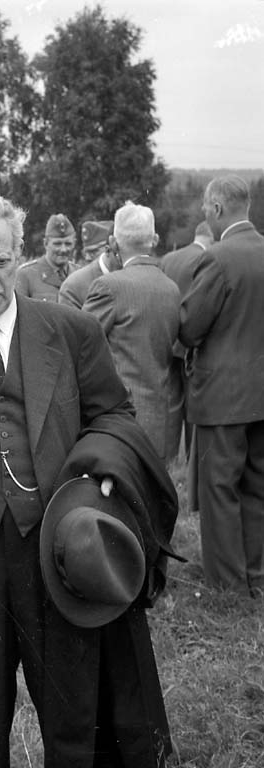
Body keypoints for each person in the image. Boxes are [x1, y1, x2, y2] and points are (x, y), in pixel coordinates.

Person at [0, 192, 180, 767]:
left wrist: (101, 472)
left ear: (20, 253)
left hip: (59, 552)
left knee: (75, 719)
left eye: (0, 261)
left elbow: (113, 415)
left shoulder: (71, 331)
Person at [179, 174, 264, 596]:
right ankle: (257, 575)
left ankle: (228, 585)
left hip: (223, 397)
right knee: (257, 486)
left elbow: (190, 326)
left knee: (219, 489)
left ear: (216, 208)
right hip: (261, 395)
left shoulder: (217, 258)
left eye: (205, 208)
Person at [82, 202, 180, 465]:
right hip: (161, 419)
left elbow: (79, 341)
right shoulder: (171, 288)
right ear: (154, 240)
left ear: (114, 242)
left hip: (120, 420)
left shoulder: (108, 286)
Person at [160, 221, 214, 460]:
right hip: (193, 347)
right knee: (193, 406)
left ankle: (168, 459)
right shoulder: (207, 260)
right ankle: (192, 459)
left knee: (171, 405)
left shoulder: (169, 258)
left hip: (169, 342)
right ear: (211, 237)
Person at [14, 213, 78, 301]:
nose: (63, 249)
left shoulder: (79, 275)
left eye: (68, 244)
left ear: (74, 243)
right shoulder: (26, 275)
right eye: (57, 244)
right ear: (46, 243)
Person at [58, 220, 118, 309]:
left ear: (108, 249)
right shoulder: (76, 285)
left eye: (93, 252)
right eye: (85, 252)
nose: (87, 258)